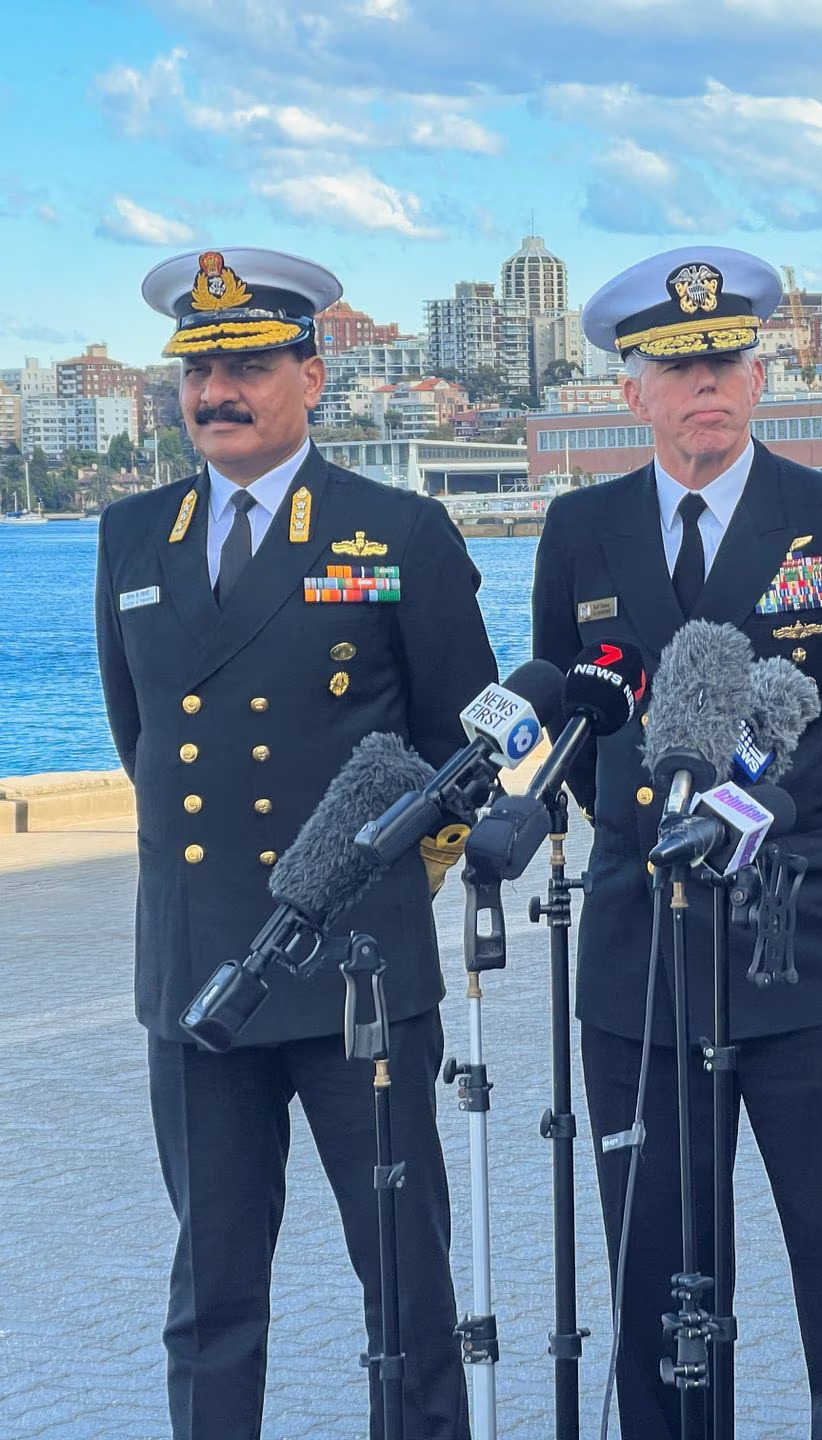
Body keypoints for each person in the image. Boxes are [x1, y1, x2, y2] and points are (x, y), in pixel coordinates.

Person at [95, 247, 497, 1439]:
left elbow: (464, 751)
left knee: (406, 1289)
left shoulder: (398, 531)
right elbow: (142, 740)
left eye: (251, 366)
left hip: (353, 974)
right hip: (198, 977)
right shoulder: (131, 536)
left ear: (313, 376)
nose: (218, 392)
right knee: (212, 1293)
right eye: (200, 370)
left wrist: (374, 889)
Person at [530, 246, 822, 1440]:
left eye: (727, 360)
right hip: (643, 958)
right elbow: (577, 723)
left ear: (761, 378)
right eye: (676, 364)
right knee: (657, 1291)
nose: (706, 383)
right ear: (630, 389)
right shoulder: (579, 528)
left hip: (811, 951)